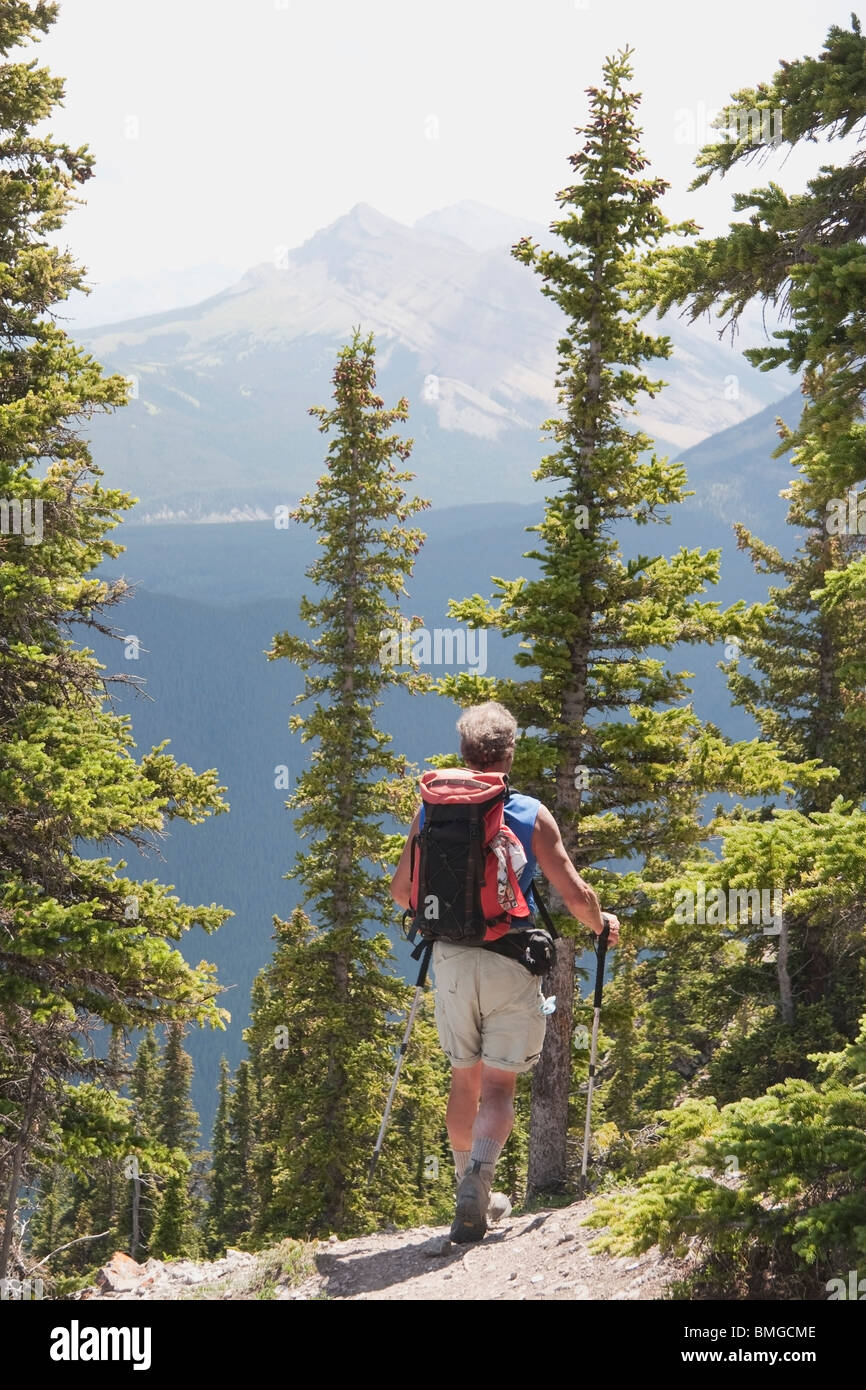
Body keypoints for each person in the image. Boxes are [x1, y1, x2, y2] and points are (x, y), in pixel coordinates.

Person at [390, 700, 620, 1243]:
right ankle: (481, 1179)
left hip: (447, 961)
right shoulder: (530, 813)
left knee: (463, 1077)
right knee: (498, 1086)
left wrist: (445, 921)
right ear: (509, 753)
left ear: (464, 753)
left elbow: (402, 891)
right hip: (509, 960)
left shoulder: (431, 811)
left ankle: (463, 1186)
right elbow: (572, 892)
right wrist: (600, 922)